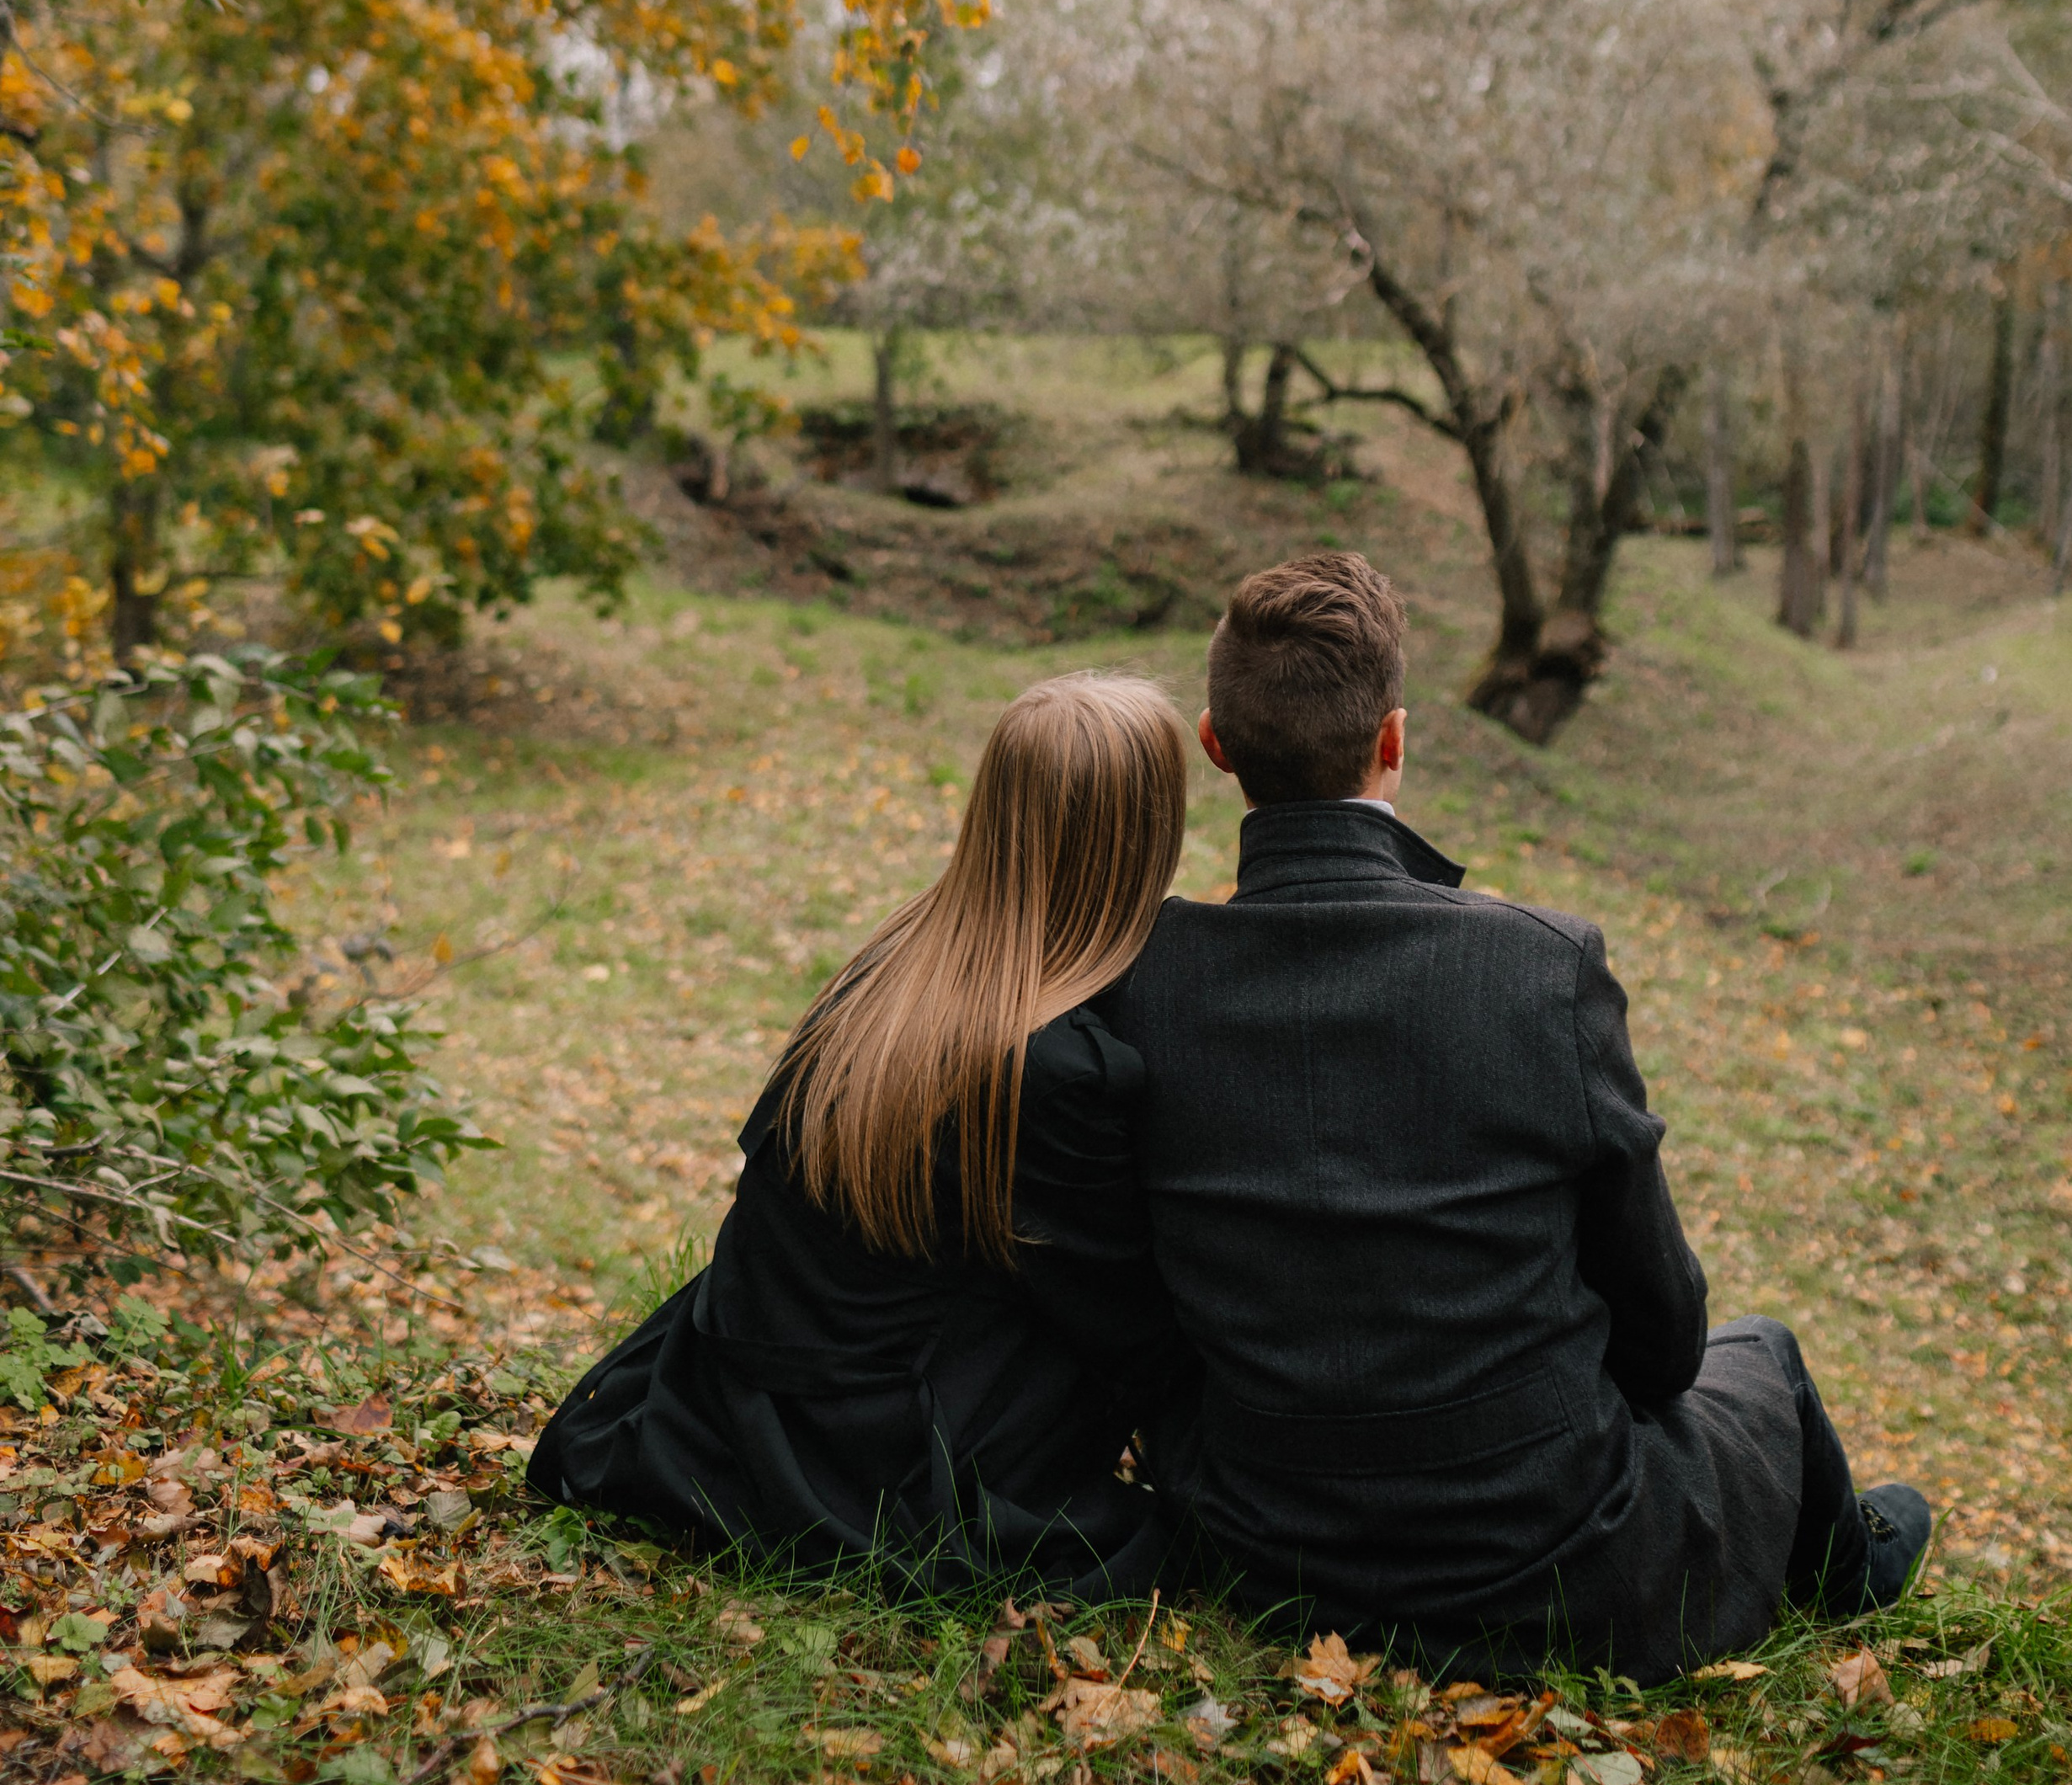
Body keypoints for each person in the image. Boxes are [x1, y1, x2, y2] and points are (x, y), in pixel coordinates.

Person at [1099, 551, 1930, 1681]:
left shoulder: (1140, 979)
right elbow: (1667, 1334)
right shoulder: (1538, 968)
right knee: (1766, 1359)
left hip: (1268, 1556)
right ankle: (1852, 1574)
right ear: (1393, 741)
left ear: (1216, 745)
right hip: (1553, 1575)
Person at [529, 672, 1190, 1596]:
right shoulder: (1053, 1067)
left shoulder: (896, 965)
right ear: (1145, 834)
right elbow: (1130, 1324)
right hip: (866, 1470)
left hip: (733, 1409)